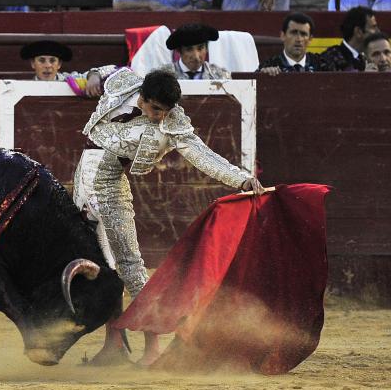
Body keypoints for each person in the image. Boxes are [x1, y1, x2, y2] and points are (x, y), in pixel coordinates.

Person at [73, 68, 264, 366]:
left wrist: (241, 180)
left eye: (166, 111)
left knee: (127, 264)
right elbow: (108, 71)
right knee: (103, 266)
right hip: (83, 181)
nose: (160, 117)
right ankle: (114, 346)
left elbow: (203, 155)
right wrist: (94, 73)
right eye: (156, 109)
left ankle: (153, 347)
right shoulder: (125, 83)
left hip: (109, 189)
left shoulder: (172, 125)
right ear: (143, 96)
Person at [19, 40, 117, 98]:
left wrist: (95, 75)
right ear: (33, 64)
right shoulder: (23, 89)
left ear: (59, 64)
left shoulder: (70, 80)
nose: (48, 65)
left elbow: (114, 68)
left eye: (52, 61)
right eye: (42, 60)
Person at [258, 12, 329, 75]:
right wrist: (263, 77)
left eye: (303, 34)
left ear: (310, 39)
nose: (298, 39)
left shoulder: (322, 64)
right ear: (283, 35)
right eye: (293, 33)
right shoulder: (269, 66)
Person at [158, 23, 231, 79]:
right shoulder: (163, 77)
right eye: (189, 49)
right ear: (179, 51)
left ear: (206, 49)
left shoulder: (220, 76)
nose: (196, 56)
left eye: (200, 48)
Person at [319, 7, 379, 71]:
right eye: (373, 27)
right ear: (359, 32)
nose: (378, 31)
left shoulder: (366, 57)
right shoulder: (331, 58)